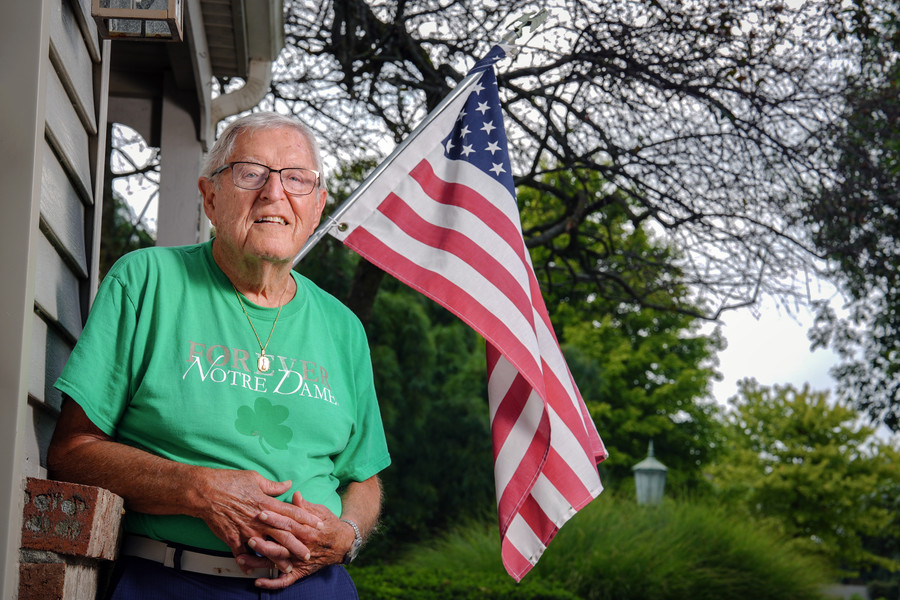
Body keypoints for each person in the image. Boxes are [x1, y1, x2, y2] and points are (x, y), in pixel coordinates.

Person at [47, 111, 391, 599]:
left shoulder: (343, 328)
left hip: (317, 587)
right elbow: (71, 451)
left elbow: (364, 479)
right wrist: (198, 489)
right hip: (171, 580)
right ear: (211, 197)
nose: (275, 193)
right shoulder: (145, 282)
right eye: (251, 173)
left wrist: (347, 536)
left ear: (316, 208)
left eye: (296, 179)